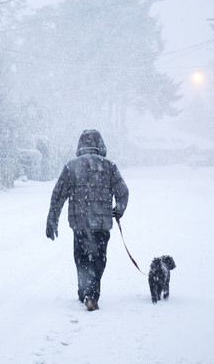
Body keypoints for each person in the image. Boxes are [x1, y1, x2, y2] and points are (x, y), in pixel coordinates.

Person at [46, 129, 129, 311]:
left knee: (81, 258)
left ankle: (84, 292)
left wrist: (52, 220)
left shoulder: (72, 166)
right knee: (98, 259)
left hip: (80, 224)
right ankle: (91, 294)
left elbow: (58, 195)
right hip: (101, 226)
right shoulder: (109, 166)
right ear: (100, 145)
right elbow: (123, 192)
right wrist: (118, 210)